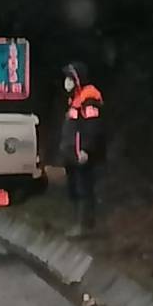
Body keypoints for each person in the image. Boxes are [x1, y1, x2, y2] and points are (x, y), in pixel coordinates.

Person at [59, 62, 104, 238]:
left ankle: (84, 226)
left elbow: (93, 126)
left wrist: (85, 149)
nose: (66, 82)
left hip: (82, 154)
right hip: (73, 155)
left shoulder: (89, 97)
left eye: (69, 78)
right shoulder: (75, 98)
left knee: (84, 188)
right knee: (75, 188)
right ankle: (81, 224)